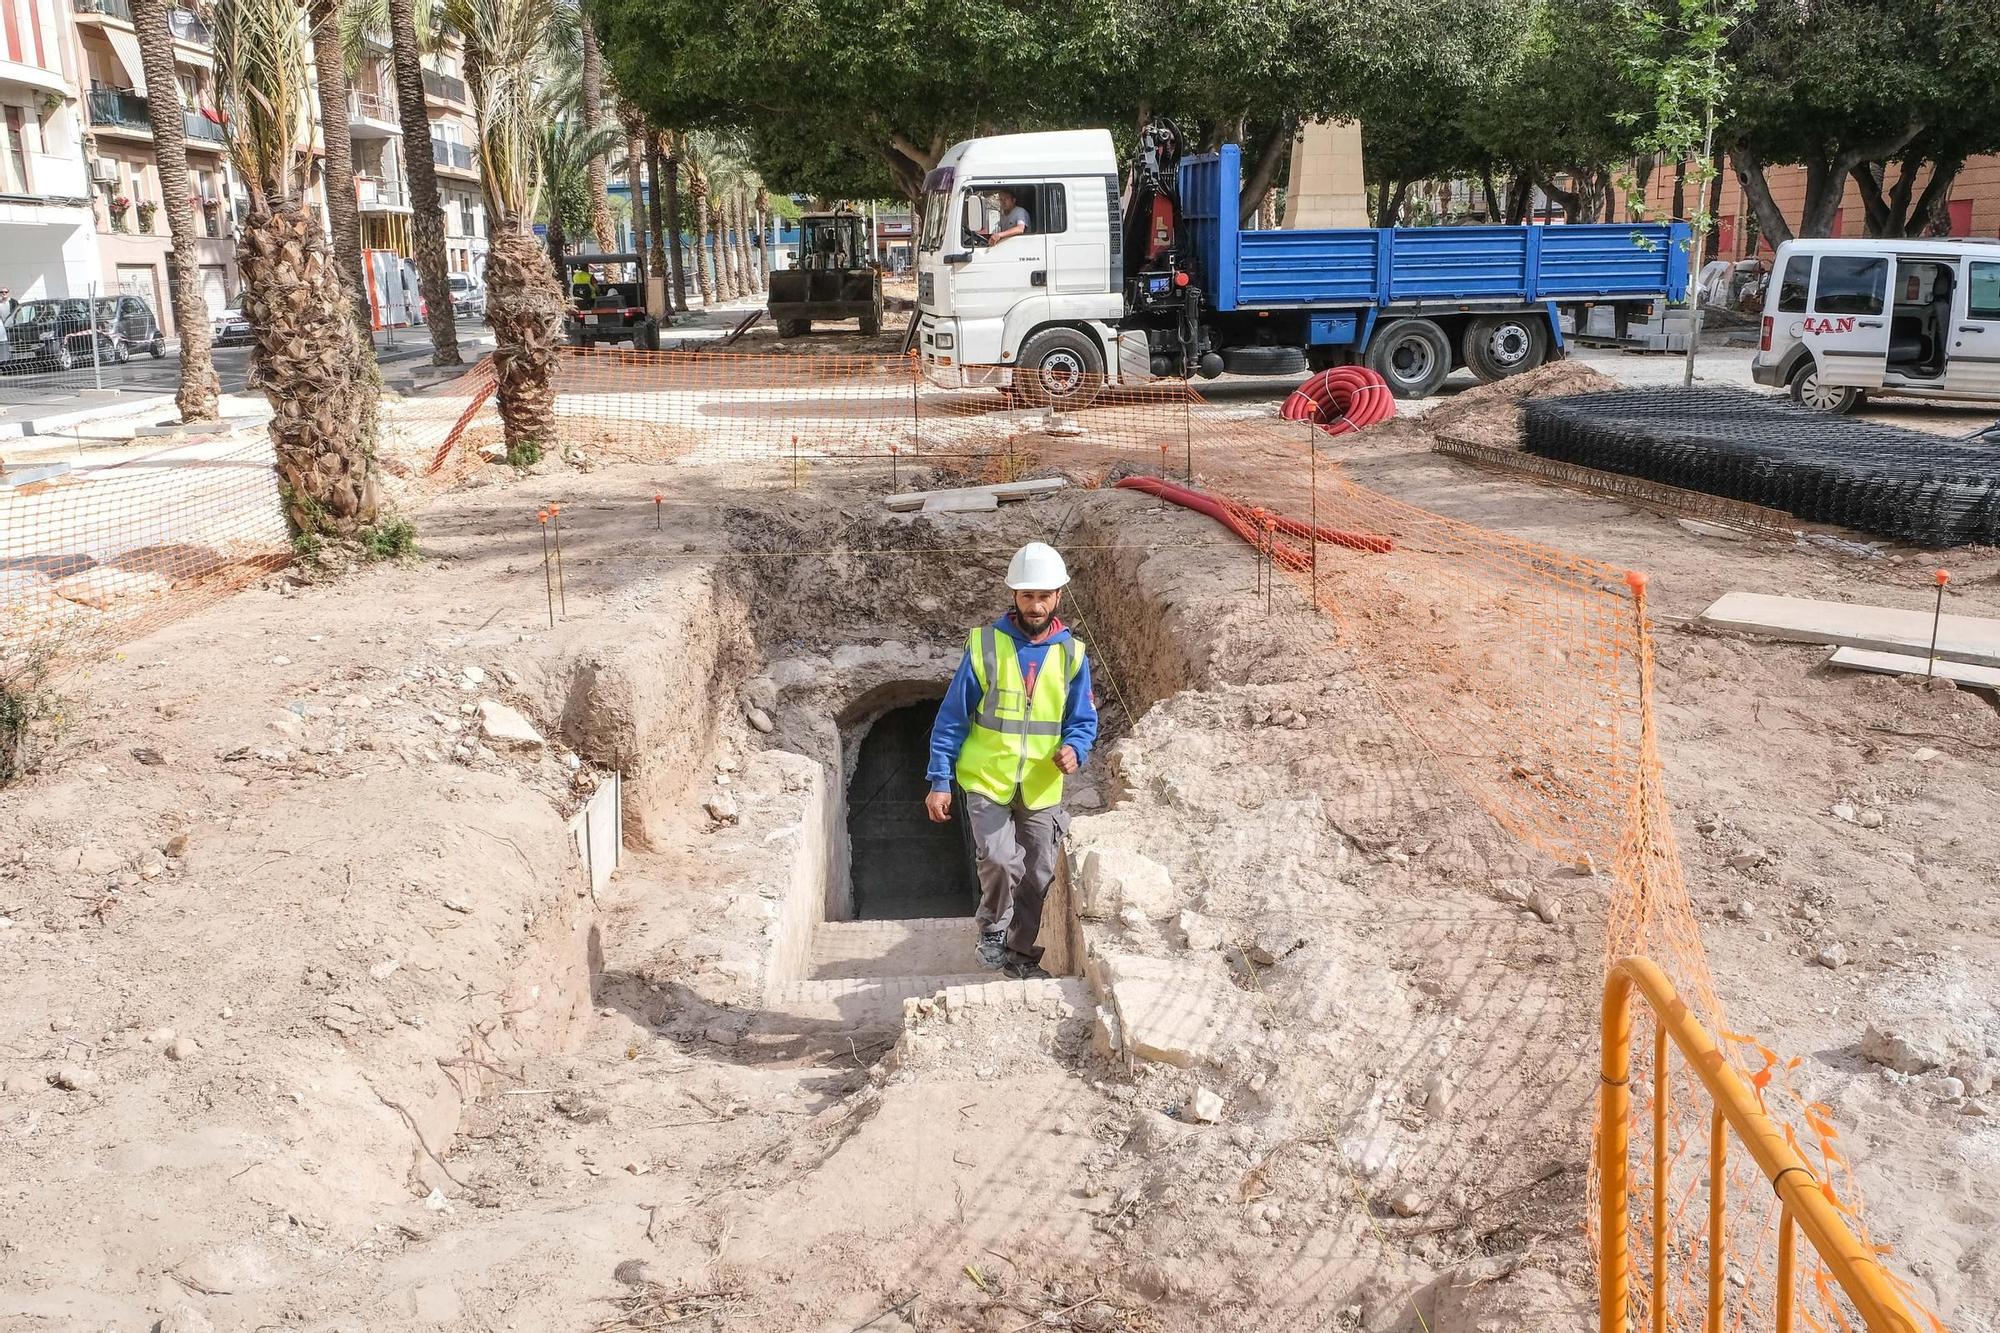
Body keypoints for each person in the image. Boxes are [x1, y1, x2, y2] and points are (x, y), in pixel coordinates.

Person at [926, 542, 1098, 979]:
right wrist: (940, 779)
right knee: (1002, 860)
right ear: (1014, 596)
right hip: (987, 778)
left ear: (1058, 595)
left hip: (1041, 785)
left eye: (1043, 595)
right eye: (1026, 595)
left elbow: (1082, 719)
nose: (1035, 604)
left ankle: (1020, 956)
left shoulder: (1072, 655)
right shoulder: (986, 646)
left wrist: (1076, 748)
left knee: (1038, 874)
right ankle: (993, 932)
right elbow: (952, 718)